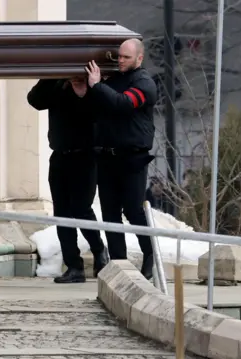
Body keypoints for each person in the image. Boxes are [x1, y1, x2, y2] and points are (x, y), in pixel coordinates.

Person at [84, 38, 158, 280]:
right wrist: (86, 91)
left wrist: (97, 86)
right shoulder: (112, 81)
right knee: (110, 214)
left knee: (134, 211)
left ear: (139, 57)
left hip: (132, 159)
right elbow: (98, 106)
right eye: (119, 56)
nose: (121, 61)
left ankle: (150, 256)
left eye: (126, 57)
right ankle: (118, 264)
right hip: (107, 158)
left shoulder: (144, 83)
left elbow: (123, 103)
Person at [27, 77, 109, 283]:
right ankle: (74, 265)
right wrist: (50, 75)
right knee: (62, 213)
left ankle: (99, 250)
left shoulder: (95, 87)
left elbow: (100, 114)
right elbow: (35, 100)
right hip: (60, 155)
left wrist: (84, 92)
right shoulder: (57, 84)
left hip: (86, 155)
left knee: (81, 208)